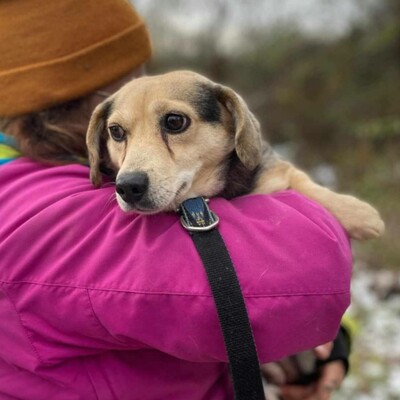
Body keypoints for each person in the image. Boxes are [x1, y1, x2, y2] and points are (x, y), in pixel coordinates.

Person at [0, 1, 351, 399]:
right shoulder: (31, 206)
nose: (144, 82)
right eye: (132, 74)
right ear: (93, 96)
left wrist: (311, 342)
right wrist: (283, 183)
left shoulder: (57, 174)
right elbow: (301, 280)